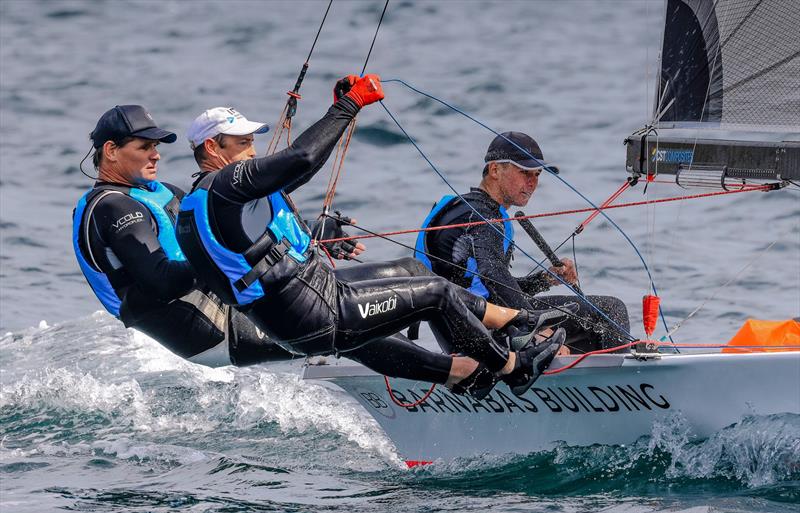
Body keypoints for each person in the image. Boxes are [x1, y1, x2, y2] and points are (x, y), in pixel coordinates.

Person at [175, 75, 567, 399]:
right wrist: (348, 107)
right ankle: (514, 367)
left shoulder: (200, 203)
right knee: (436, 293)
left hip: (301, 305)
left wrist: (321, 233)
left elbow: (263, 239)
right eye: (242, 143)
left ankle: (479, 353)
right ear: (212, 147)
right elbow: (301, 159)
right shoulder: (226, 186)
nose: (252, 151)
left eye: (252, 141)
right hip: (313, 310)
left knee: (414, 271)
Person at [73, 104, 304, 367]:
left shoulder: (162, 192)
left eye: (156, 147)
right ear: (111, 151)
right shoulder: (112, 207)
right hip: (204, 333)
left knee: (333, 300)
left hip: (224, 310)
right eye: (145, 147)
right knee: (336, 323)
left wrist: (315, 233)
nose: (156, 155)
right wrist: (229, 257)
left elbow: (232, 231)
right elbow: (163, 282)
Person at [415, 131, 631, 353]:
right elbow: (493, 275)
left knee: (593, 332)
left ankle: (591, 380)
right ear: (495, 170)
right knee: (609, 310)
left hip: (464, 331)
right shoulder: (482, 217)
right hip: (481, 336)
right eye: (525, 173)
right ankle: (628, 382)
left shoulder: (464, 209)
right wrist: (532, 328)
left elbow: (488, 287)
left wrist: (545, 279)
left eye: (537, 174)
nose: (532, 183)